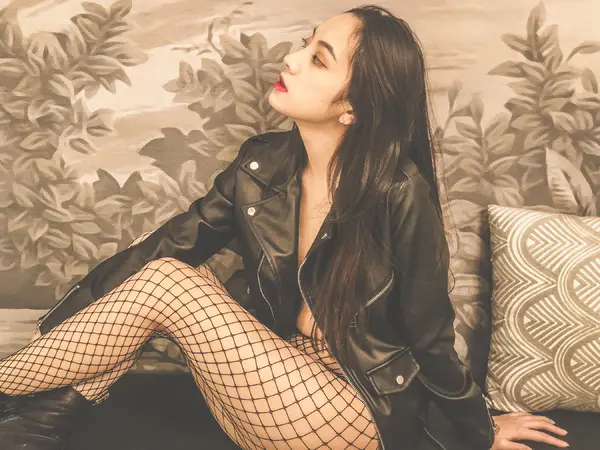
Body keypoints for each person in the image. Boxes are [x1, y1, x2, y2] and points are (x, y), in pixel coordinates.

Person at [0, 4, 570, 450]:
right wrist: (62, 331)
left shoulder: (398, 191)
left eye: (319, 59)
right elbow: (167, 246)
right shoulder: (262, 164)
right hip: (266, 394)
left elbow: (430, 332)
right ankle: (40, 423)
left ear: (354, 106)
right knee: (159, 270)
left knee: (169, 282)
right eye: (305, 44)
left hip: (347, 416)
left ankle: (18, 396)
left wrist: (478, 429)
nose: (292, 60)